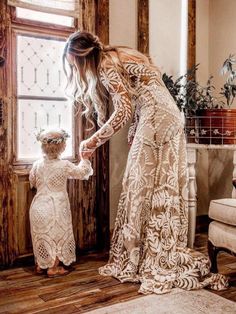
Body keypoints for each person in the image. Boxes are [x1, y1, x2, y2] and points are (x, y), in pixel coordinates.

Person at [63, 31, 228, 293]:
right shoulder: (119, 54)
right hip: (170, 115)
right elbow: (146, 92)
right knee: (156, 184)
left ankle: (143, 257)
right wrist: (134, 129)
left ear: (81, 57)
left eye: (74, 63)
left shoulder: (106, 64)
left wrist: (91, 142)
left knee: (138, 184)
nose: (75, 68)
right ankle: (153, 250)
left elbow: (123, 110)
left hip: (156, 116)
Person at [29, 128, 93, 278]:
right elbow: (82, 173)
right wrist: (85, 159)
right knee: (56, 236)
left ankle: (41, 264)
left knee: (42, 235)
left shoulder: (37, 164)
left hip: (38, 205)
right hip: (56, 207)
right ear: (62, 147)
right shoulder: (64, 165)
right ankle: (53, 268)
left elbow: (32, 181)